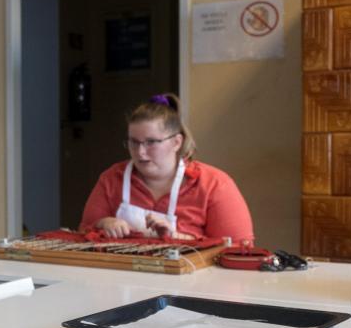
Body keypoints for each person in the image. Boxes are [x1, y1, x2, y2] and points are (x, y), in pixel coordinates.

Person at [79, 93, 254, 243]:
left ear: (177, 142)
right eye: (134, 142)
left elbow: (237, 249)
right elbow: (82, 235)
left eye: (151, 142)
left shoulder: (214, 185)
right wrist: (103, 224)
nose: (140, 152)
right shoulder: (112, 179)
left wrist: (175, 236)